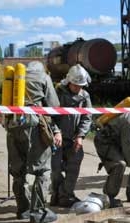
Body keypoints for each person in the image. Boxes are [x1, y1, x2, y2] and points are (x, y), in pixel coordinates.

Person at [5, 61, 62, 223]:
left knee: (18, 171)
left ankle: (23, 209)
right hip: (34, 125)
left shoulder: (15, 78)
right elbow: (54, 105)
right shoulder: (44, 77)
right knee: (42, 169)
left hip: (12, 124)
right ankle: (38, 212)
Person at [50, 64, 93, 207]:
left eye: (81, 86)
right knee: (55, 168)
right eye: (75, 85)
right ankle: (57, 195)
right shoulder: (57, 93)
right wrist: (56, 131)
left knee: (73, 167)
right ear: (69, 81)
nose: (78, 88)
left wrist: (80, 135)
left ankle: (66, 195)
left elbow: (87, 118)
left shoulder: (85, 96)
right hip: (57, 137)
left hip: (74, 138)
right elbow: (49, 115)